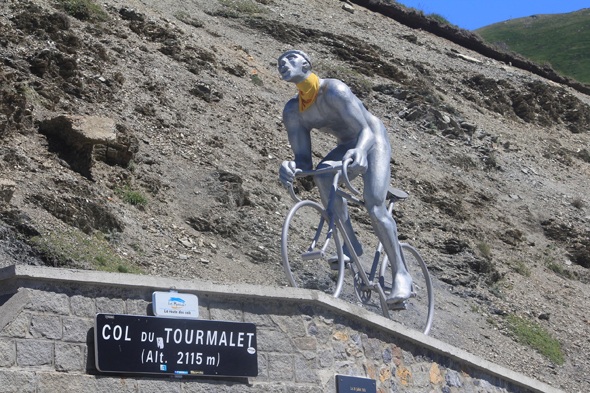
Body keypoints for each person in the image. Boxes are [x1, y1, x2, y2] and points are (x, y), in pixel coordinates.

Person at [277, 50, 412, 304]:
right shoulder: (293, 111)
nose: (283, 63)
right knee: (323, 176)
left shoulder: (334, 90)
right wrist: (292, 166)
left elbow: (366, 131)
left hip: (372, 139)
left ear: (307, 63)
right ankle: (351, 246)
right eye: (279, 62)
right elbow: (305, 162)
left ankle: (402, 274)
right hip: (347, 145)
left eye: (291, 58)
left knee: (374, 204)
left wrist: (361, 151)